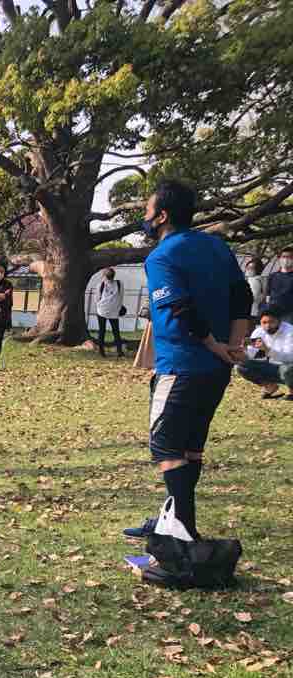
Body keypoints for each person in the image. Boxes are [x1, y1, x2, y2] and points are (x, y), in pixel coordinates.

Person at [121, 179, 252, 543]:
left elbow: (181, 311)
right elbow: (242, 295)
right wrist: (233, 345)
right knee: (191, 448)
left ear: (162, 216)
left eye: (147, 211)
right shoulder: (216, 245)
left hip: (181, 367)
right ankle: (173, 518)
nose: (145, 217)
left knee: (165, 447)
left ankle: (183, 534)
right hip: (216, 371)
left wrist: (216, 346)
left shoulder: (162, 256)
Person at [238, 304, 293, 399]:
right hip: (272, 367)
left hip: (288, 367)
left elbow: (290, 357)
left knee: (288, 369)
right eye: (264, 322)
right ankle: (270, 386)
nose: (268, 326)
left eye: (271, 322)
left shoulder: (290, 331)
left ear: (279, 321)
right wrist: (244, 349)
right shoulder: (259, 331)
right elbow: (250, 357)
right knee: (241, 366)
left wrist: (267, 350)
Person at [94, 268, 125, 358]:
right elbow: (121, 296)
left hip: (102, 310)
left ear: (104, 276)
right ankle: (119, 351)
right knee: (116, 331)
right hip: (114, 311)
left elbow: (97, 299)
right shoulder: (119, 284)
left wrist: (100, 305)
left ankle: (101, 351)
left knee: (101, 331)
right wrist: (118, 306)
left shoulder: (100, 285)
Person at [267, 247, 293, 318]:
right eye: (284, 257)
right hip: (273, 311)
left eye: (290, 257)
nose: (286, 259)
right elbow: (268, 295)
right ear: (279, 258)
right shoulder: (272, 276)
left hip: (289, 313)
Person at [245, 258, 267, 329]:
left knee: (248, 331)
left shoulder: (254, 280)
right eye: (247, 267)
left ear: (257, 270)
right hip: (255, 311)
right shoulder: (260, 279)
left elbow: (253, 296)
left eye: (251, 268)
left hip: (251, 311)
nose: (248, 270)